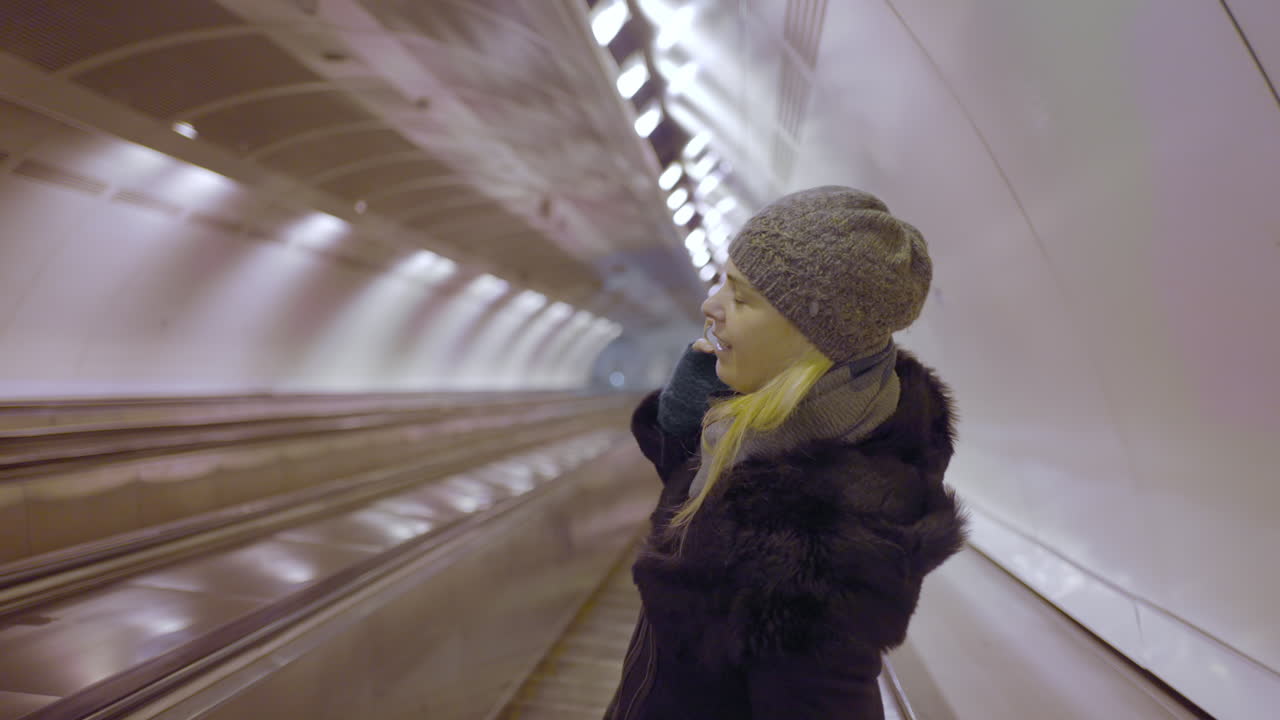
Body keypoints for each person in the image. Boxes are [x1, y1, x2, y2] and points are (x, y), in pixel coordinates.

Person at [604, 186, 968, 719]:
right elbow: (708, 513)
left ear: (815, 337)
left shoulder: (824, 544)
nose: (711, 306)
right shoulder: (761, 436)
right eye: (722, 282)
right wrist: (686, 420)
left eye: (741, 296)